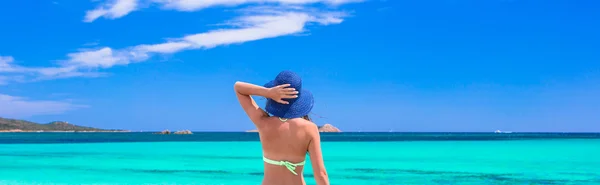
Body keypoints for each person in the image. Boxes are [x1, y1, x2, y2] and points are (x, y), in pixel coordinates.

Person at [234, 70, 329, 185]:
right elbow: (320, 174)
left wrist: (268, 92)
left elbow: (238, 88)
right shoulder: (309, 129)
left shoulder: (263, 122)